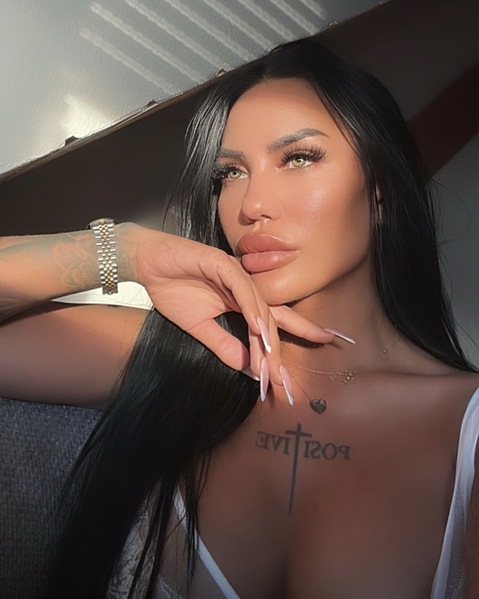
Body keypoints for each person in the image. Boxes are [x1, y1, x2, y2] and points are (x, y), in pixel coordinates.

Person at [0, 39, 477, 598]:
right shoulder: (174, 359)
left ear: (380, 192)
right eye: (230, 173)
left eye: (299, 158)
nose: (251, 206)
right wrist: (125, 251)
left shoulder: (465, 430)